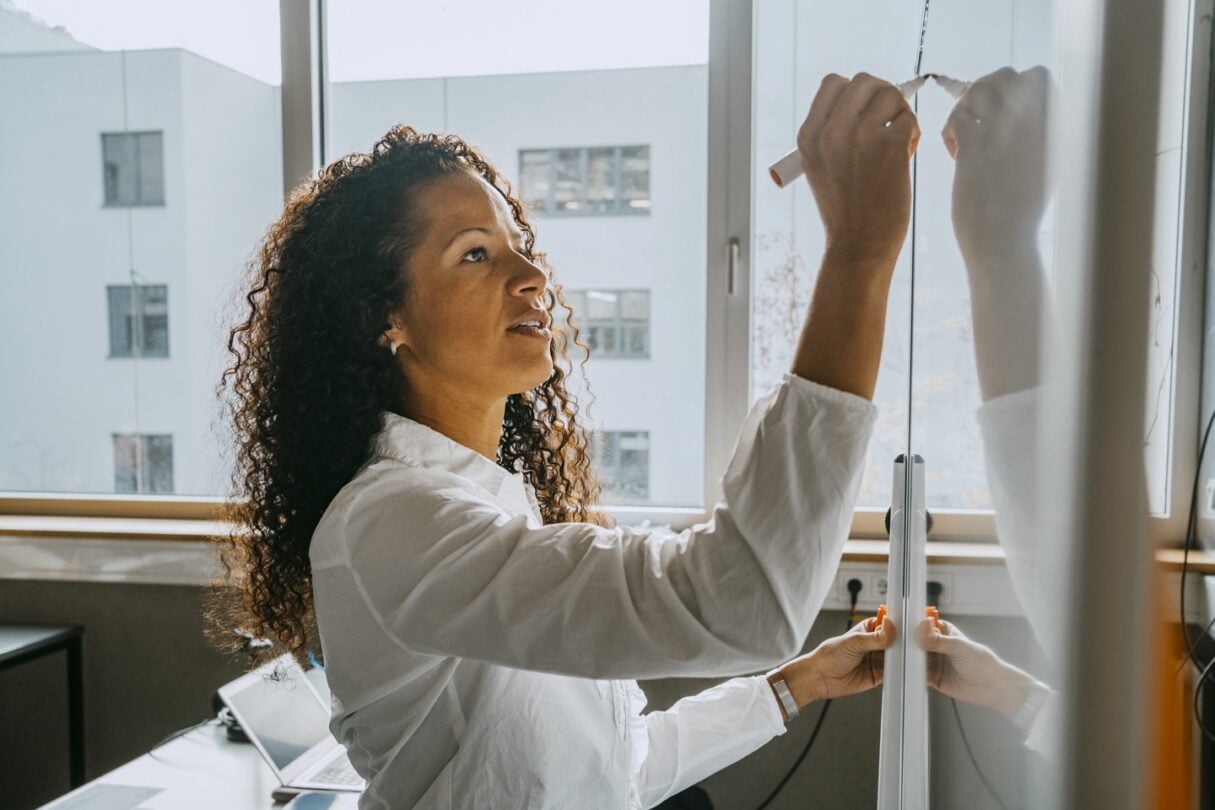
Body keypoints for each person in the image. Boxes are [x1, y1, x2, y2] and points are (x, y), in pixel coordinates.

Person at [213, 73, 918, 809]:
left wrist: (794, 686)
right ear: (383, 318)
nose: (531, 274)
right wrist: (859, 255)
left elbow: (615, 773)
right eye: (475, 254)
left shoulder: (496, 504)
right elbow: (739, 604)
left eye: (520, 245)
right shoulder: (389, 523)